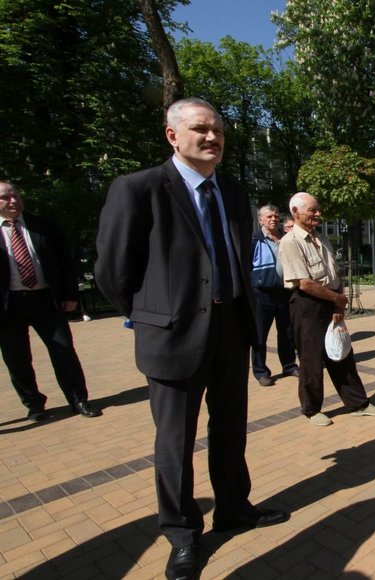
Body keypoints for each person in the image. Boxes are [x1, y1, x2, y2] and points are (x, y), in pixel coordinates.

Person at [95, 98, 288, 580]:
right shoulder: (139, 189)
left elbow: (237, 261)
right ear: (172, 136)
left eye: (218, 131)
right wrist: (153, 315)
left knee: (230, 430)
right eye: (200, 129)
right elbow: (112, 271)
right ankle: (182, 533)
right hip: (173, 337)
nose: (212, 138)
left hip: (230, 329)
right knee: (175, 443)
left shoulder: (234, 192)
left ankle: (234, 508)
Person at [279, 192, 375, 426]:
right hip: (307, 305)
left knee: (342, 353)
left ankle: (358, 403)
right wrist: (337, 299)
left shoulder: (322, 239)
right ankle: (311, 409)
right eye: (313, 210)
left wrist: (338, 303)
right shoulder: (290, 242)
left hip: (331, 300)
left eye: (318, 209)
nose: (318, 214)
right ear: (296, 213)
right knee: (310, 359)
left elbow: (334, 274)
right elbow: (305, 283)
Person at [0, 181, 101, 422]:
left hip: (46, 300)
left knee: (63, 350)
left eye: (15, 195)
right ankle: (34, 404)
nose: (13, 201)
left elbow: (65, 262)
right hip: (8, 306)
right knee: (17, 358)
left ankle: (78, 399)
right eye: (5, 197)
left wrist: (70, 295)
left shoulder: (43, 226)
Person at [250, 205, 299, 387]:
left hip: (284, 292)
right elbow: (246, 266)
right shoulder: (255, 240)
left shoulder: (286, 238)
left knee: (287, 333)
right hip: (262, 294)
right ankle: (261, 371)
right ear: (261, 219)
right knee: (260, 335)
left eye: (276, 216)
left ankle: (289, 365)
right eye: (269, 216)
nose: (273, 219)